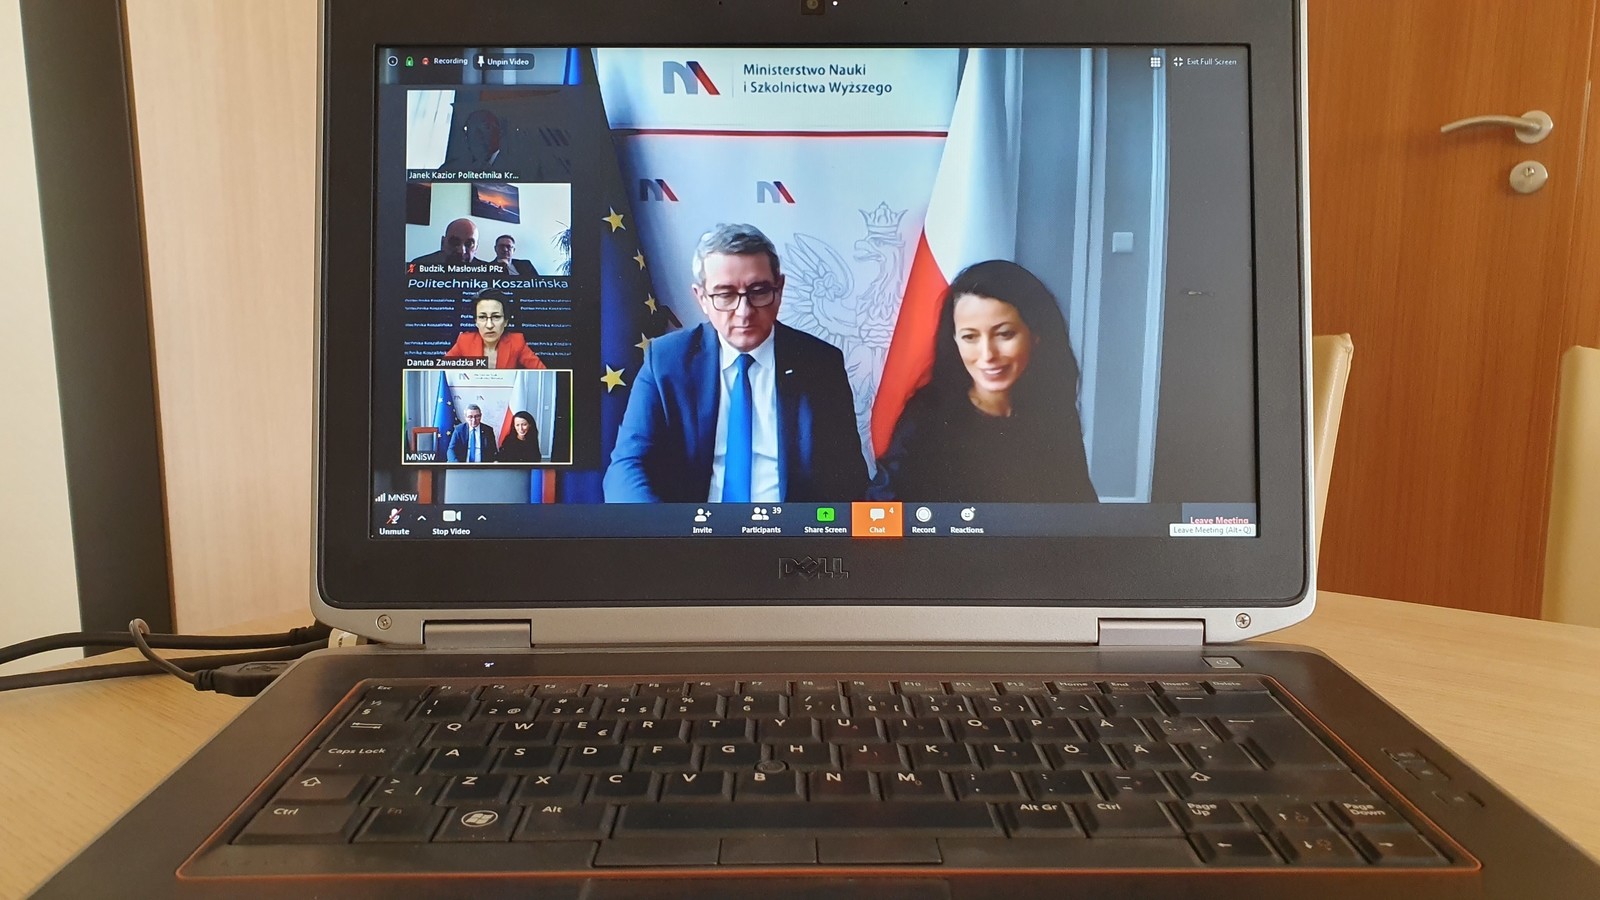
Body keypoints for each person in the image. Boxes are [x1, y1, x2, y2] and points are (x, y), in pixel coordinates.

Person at [605, 224, 868, 503]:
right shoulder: (666, 361)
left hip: (786, 526)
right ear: (702, 298)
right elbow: (626, 466)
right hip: (696, 526)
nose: (744, 312)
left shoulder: (821, 364)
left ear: (779, 290)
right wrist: (667, 528)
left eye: (759, 291)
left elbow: (847, 477)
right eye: (725, 295)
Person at [870, 259, 1098, 503]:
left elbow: (1080, 507)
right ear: (954, 340)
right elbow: (880, 510)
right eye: (970, 337)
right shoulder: (926, 417)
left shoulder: (1053, 409)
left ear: (1036, 335)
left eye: (1004, 334)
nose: (987, 354)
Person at [443, 290, 546, 370]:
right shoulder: (464, 341)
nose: (489, 325)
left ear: (505, 321)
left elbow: (543, 372)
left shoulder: (517, 342)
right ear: (476, 321)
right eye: (482, 317)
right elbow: (440, 372)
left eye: (496, 317)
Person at [409, 218, 491, 269]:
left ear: (476, 248)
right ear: (443, 242)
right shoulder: (418, 265)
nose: (461, 251)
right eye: (455, 241)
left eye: (469, 244)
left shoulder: (487, 271)